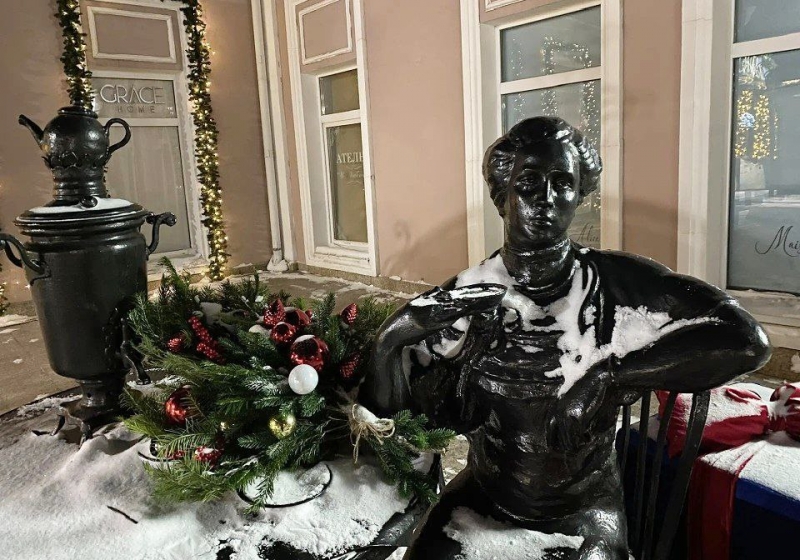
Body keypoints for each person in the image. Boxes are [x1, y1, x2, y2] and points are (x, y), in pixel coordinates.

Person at [361, 116, 770, 559]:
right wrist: (391, 338)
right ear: (502, 195)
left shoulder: (614, 284)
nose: (547, 198)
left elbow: (746, 340)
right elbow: (398, 426)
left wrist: (609, 374)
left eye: (563, 183)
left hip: (583, 510)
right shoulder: (468, 294)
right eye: (529, 183)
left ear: (579, 195)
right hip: (485, 498)